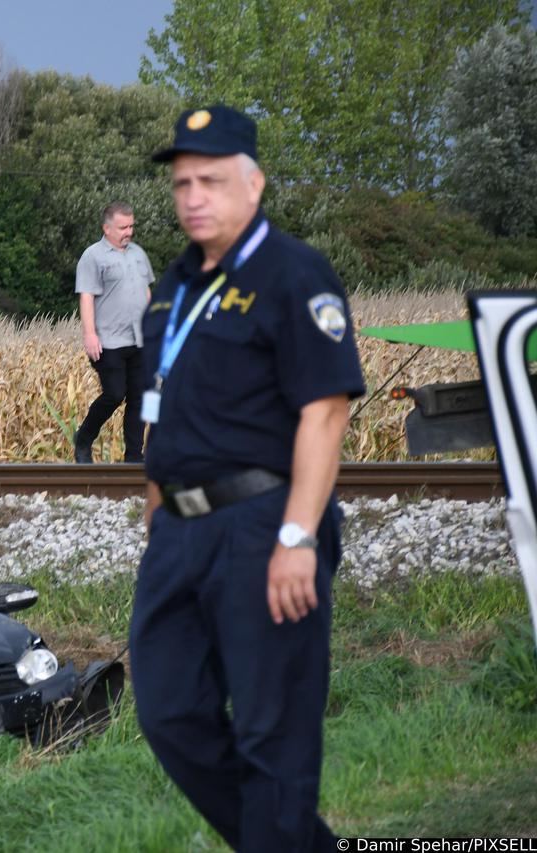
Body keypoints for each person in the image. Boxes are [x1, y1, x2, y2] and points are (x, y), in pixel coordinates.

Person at [129, 105, 365, 851]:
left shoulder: (294, 273)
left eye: (211, 180)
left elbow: (325, 414)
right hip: (178, 533)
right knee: (169, 713)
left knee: (272, 735)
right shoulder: (170, 283)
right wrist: (155, 507)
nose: (193, 196)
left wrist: (298, 533)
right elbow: (165, 406)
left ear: (254, 184)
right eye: (182, 183)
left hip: (264, 524)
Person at [73, 202, 154, 464]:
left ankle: (133, 457)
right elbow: (86, 296)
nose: (128, 232)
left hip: (139, 338)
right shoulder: (92, 256)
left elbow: (146, 292)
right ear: (106, 228)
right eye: (122, 227)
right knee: (115, 394)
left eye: (131, 226)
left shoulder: (138, 254)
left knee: (139, 398)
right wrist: (90, 334)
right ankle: (84, 438)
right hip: (108, 340)